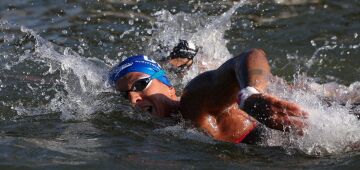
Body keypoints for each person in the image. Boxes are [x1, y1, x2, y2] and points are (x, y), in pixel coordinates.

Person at [108, 41, 308, 144]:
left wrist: (251, 95)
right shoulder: (165, 131)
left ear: (169, 87)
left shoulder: (194, 101)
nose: (133, 99)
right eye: (124, 95)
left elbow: (250, 55)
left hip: (316, 108)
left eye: (140, 85)